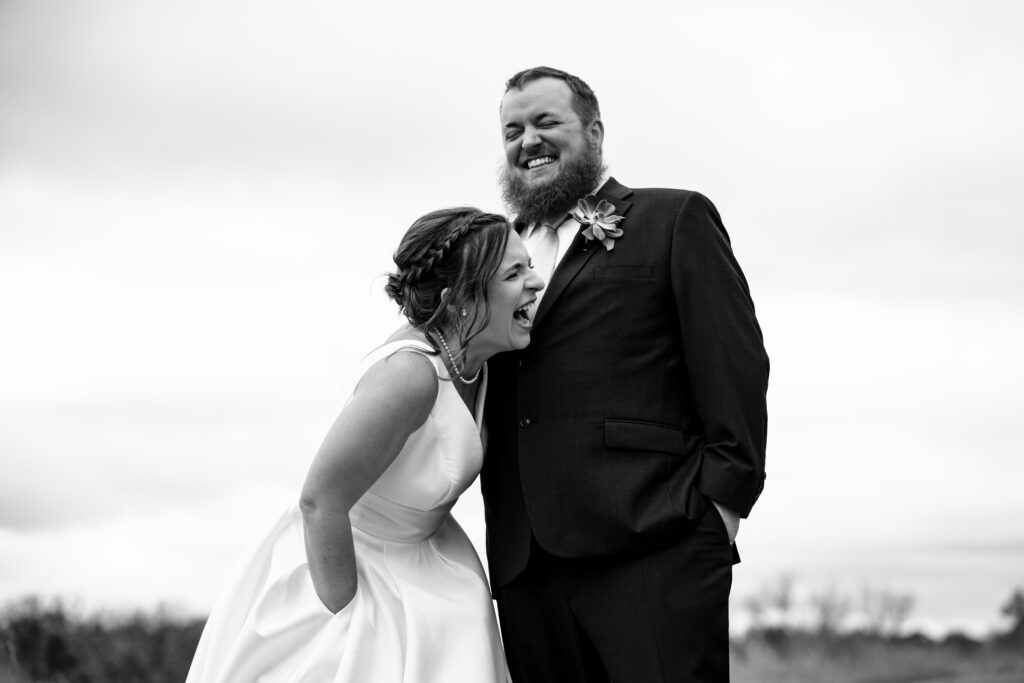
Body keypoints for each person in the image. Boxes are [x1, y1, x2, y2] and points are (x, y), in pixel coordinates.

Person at [481, 66, 770, 682]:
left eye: (545, 122)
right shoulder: (494, 255)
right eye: (512, 129)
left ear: (593, 130)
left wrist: (721, 507)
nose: (527, 140)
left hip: (655, 543)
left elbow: (733, 360)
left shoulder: (673, 220)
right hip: (526, 564)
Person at [186, 207, 544, 683]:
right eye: (514, 273)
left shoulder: (481, 361)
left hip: (435, 570)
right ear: (458, 299)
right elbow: (320, 501)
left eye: (529, 266)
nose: (535, 283)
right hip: (348, 568)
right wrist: (348, 620)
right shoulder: (410, 376)